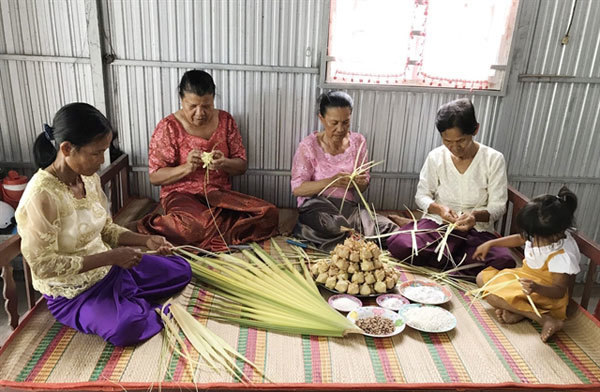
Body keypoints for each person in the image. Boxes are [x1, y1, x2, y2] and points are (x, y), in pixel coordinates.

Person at [16, 103, 192, 347]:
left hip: (111, 270)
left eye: (104, 151)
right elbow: (44, 266)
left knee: (181, 269)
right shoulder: (41, 196)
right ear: (67, 148)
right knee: (127, 328)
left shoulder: (89, 179)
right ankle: (129, 308)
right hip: (75, 294)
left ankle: (128, 303)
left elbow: (106, 229)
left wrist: (146, 241)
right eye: (96, 153)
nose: (102, 160)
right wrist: (111, 258)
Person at [138, 70, 279, 251]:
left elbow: (241, 165)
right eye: (192, 106)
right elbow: (155, 177)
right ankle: (151, 225)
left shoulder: (226, 120)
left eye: (207, 106)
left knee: (269, 213)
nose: (200, 113)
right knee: (194, 226)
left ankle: (209, 230)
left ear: (213, 99)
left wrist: (225, 163)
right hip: (181, 195)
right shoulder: (169, 127)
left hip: (217, 194)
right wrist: (186, 168)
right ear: (181, 100)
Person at [387, 98, 515, 277]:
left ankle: (442, 258)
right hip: (438, 227)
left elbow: (498, 207)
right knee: (399, 244)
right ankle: (454, 263)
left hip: (476, 233)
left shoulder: (493, 159)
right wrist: (440, 210)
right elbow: (422, 196)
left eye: (461, 140)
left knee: (503, 261)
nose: (454, 147)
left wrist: (474, 216)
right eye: (447, 141)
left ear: (475, 130)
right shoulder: (436, 157)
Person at [291, 91, 398, 250]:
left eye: (346, 122)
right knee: (335, 225)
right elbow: (298, 189)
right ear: (321, 118)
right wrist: (331, 181)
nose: (340, 129)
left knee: (389, 231)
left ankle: (353, 240)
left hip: (349, 208)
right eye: (334, 123)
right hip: (318, 207)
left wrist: (359, 183)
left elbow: (363, 186)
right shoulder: (308, 146)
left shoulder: (358, 141)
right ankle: (356, 241)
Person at [473, 187, 580, 342]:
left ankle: (545, 319)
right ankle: (519, 311)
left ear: (557, 233)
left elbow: (559, 291)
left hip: (544, 293)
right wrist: (491, 243)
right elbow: (519, 238)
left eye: (536, 237)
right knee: (481, 278)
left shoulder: (562, 255)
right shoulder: (541, 232)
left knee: (491, 295)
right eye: (531, 235)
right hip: (525, 279)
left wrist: (537, 288)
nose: (531, 240)